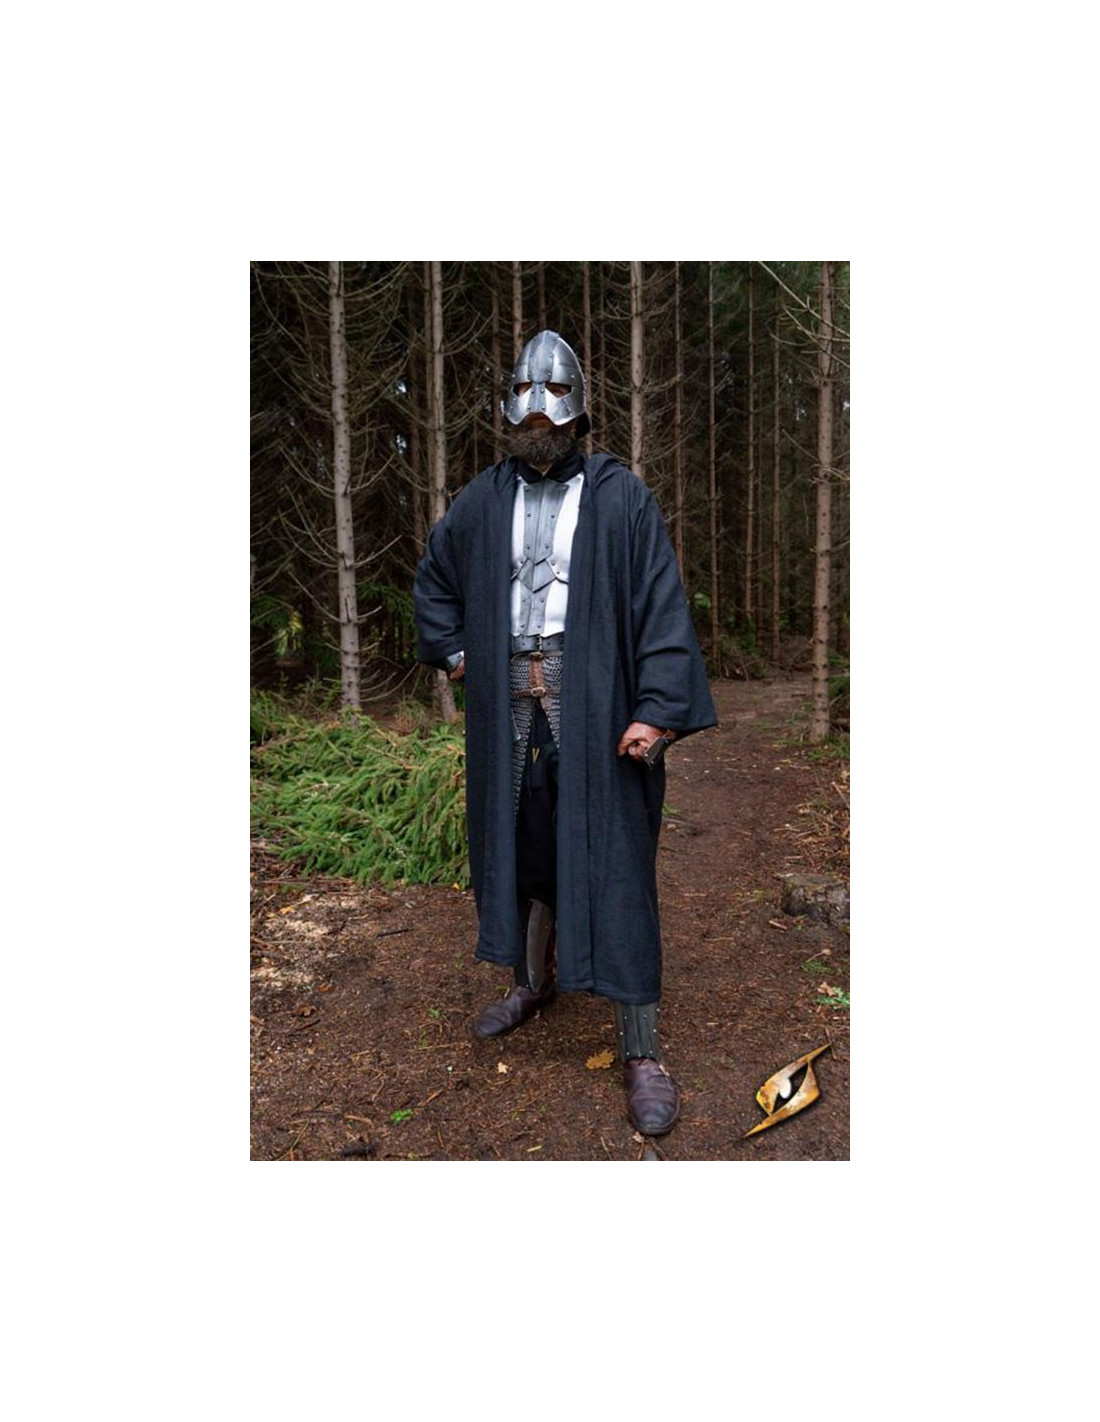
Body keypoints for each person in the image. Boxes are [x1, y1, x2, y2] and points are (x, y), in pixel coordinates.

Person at [413, 330, 716, 1136]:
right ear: (511, 416)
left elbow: (660, 603)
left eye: (551, 417)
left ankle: (641, 1049)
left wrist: (656, 708)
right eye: (526, 417)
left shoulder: (620, 498)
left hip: (598, 703)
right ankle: (532, 982)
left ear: (577, 416)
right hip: (506, 706)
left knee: (617, 862)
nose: (537, 428)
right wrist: (456, 652)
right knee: (523, 849)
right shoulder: (482, 500)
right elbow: (435, 577)